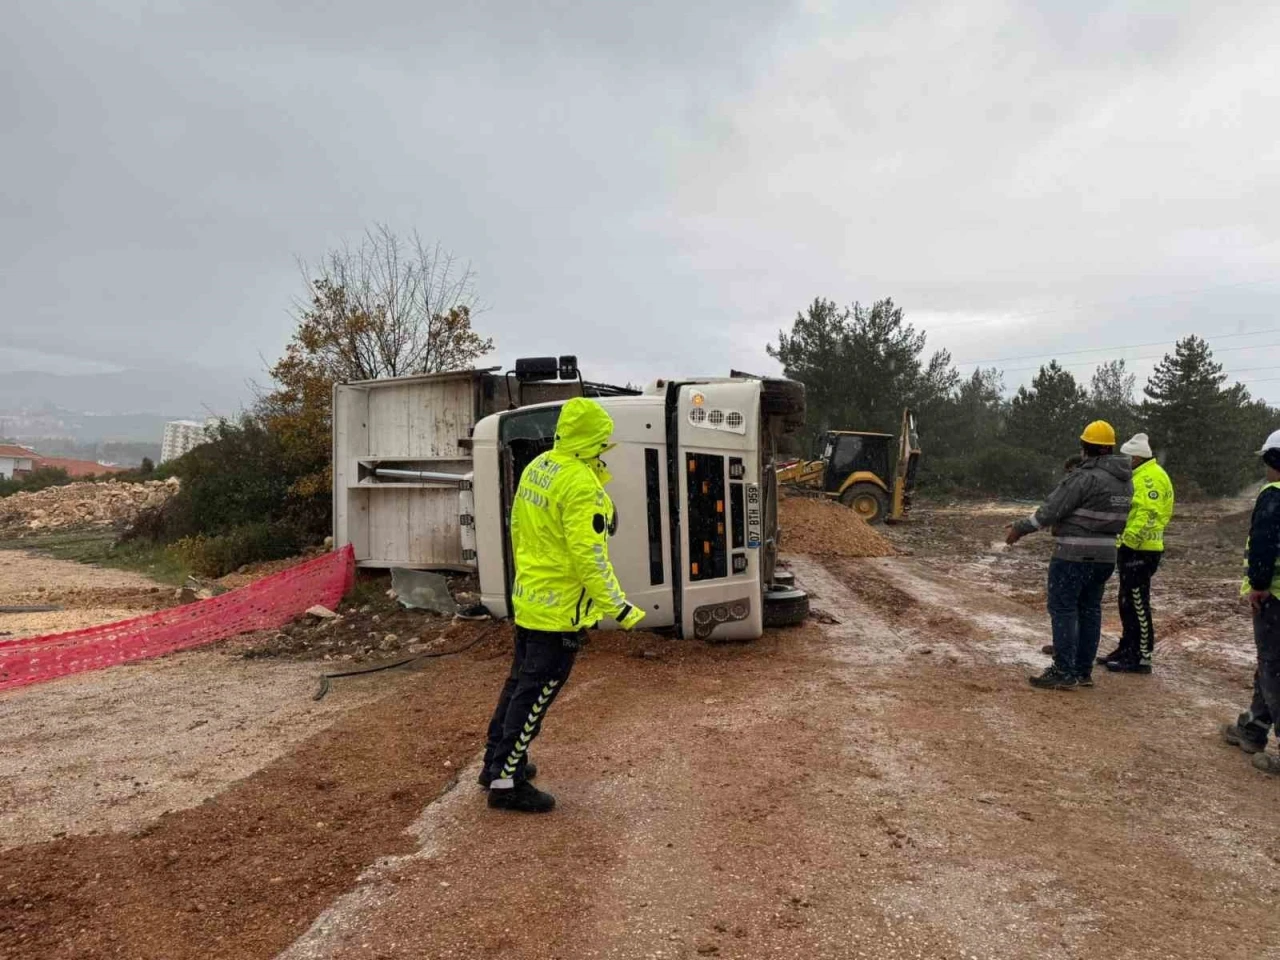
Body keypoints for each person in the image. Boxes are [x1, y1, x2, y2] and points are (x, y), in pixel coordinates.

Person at [480, 397, 646, 813]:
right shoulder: (580, 485)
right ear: (591, 439)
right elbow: (589, 558)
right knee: (535, 694)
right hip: (559, 612)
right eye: (604, 441)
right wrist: (620, 608)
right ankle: (505, 782)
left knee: (519, 685)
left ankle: (496, 764)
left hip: (532, 600)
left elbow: (519, 527)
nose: (607, 448)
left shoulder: (540, 466)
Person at [1006, 421, 1133, 690]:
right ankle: (1082, 671)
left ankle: (1063, 671)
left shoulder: (1085, 477)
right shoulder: (1125, 482)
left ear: (1086, 447)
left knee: (1064, 609)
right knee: (1090, 611)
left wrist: (1020, 528)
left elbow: (1051, 510)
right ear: (1109, 448)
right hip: (1106, 556)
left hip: (1074, 555)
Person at [1221, 429, 1280, 775]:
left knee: (1274, 666)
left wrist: (1258, 584)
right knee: (1270, 663)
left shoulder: (1274, 495)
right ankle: (1253, 728)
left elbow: (1264, 543)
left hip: (1275, 597)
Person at [1098, 433, 1175, 674]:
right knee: (1127, 602)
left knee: (1137, 604)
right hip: (1137, 548)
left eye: (1127, 457)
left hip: (1141, 550)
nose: (1124, 461)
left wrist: (1128, 543)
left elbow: (1146, 513)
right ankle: (1127, 647)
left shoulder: (1149, 479)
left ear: (1136, 458)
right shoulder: (1143, 474)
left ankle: (1141, 656)